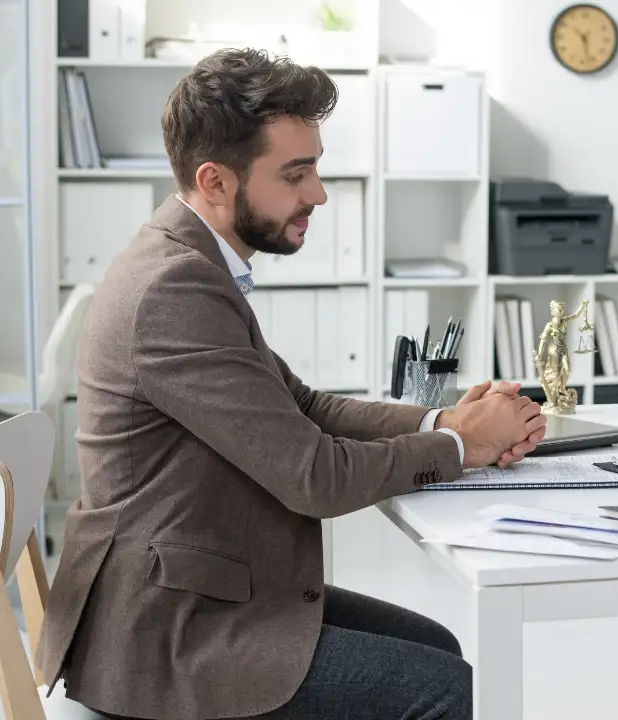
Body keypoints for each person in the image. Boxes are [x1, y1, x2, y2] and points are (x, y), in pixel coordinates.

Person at [36, 48, 546, 720]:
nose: (319, 194)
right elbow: (315, 478)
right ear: (215, 181)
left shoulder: (185, 258)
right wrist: (465, 450)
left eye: (316, 168)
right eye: (295, 174)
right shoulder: (172, 288)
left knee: (439, 648)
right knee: (444, 686)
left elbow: (301, 406)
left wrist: (445, 424)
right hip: (165, 632)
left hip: (195, 589)